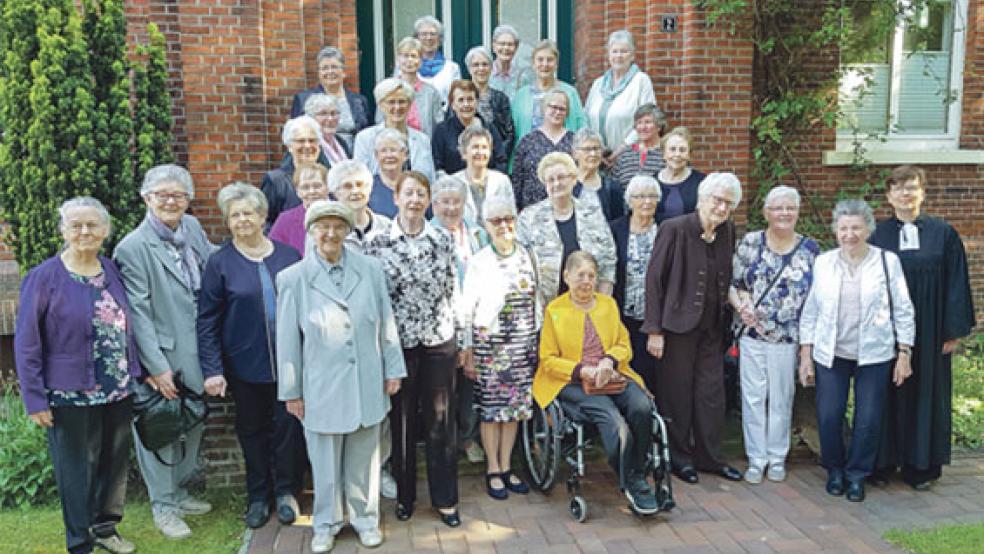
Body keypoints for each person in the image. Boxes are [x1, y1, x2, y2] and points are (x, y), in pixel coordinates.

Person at [276, 201, 406, 553]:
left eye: (338, 226)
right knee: (324, 463)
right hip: (321, 387)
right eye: (323, 227)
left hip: (367, 380)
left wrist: (393, 368)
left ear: (348, 230)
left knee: (365, 459)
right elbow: (287, 342)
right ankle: (326, 524)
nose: (330, 233)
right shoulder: (293, 279)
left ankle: (365, 520)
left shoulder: (370, 269)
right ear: (311, 231)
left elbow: (386, 321)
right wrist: (291, 390)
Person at [15, 197, 142, 554]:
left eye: (92, 225)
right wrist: (35, 399)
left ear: (104, 230)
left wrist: (137, 371)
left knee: (113, 464)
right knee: (76, 469)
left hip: (116, 388)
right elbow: (26, 342)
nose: (84, 231)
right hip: (68, 390)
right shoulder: (44, 278)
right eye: (76, 225)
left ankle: (106, 528)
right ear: (63, 231)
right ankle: (80, 541)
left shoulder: (111, 270)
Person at [113, 164, 216, 539]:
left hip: (201, 348)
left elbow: (212, 262)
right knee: (161, 428)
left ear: (189, 199)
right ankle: (163, 505)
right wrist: (155, 367)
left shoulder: (193, 228)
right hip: (164, 354)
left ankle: (180, 491)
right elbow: (137, 312)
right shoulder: (133, 247)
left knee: (194, 419)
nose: (171, 201)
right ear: (146, 198)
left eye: (178, 195)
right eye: (162, 195)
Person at [197, 184, 304, 529]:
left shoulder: (289, 256)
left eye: (248, 213)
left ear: (262, 216)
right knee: (252, 431)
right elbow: (207, 320)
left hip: (291, 365)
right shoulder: (220, 263)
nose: (242, 220)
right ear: (228, 221)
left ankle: (287, 492)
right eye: (234, 215)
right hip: (244, 366)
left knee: (289, 428)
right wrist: (212, 369)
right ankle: (258, 496)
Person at [799, 199, 915, 502]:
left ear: (868, 230)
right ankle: (834, 470)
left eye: (856, 228)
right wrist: (805, 354)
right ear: (835, 230)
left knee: (868, 419)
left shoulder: (887, 262)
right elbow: (811, 310)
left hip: (874, 354)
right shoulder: (823, 262)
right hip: (831, 353)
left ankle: (857, 475)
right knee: (828, 415)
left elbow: (903, 308)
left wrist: (904, 352)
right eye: (843, 228)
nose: (849, 234)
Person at [363, 171, 462, 528]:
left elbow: (453, 288)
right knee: (402, 421)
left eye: (421, 194)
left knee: (441, 420)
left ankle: (446, 499)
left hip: (438, 340)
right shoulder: (375, 242)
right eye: (409, 193)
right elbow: (372, 300)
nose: (415, 200)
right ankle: (406, 497)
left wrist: (462, 339)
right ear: (396, 198)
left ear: (428, 200)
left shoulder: (443, 238)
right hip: (397, 345)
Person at [870, 166, 975, 490]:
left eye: (912, 187)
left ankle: (921, 466)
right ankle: (883, 461)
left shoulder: (943, 234)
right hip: (887, 328)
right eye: (899, 188)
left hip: (931, 328)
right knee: (886, 390)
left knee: (927, 391)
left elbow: (957, 282)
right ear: (889, 196)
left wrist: (952, 331)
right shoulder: (877, 236)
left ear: (922, 193)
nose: (906, 194)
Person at [532, 251, 660, 515]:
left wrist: (608, 362)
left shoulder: (607, 305)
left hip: (611, 375)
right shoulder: (555, 311)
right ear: (566, 277)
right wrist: (584, 370)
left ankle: (636, 469)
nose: (586, 281)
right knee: (612, 419)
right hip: (572, 381)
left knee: (642, 406)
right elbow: (548, 360)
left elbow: (623, 344)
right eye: (580, 275)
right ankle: (632, 481)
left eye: (591, 276)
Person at [642, 172, 744, 485]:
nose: (722, 208)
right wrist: (654, 330)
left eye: (728, 203)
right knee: (677, 394)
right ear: (702, 199)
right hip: (676, 327)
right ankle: (680, 459)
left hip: (712, 328)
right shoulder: (674, 229)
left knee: (711, 394)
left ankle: (710, 458)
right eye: (717, 200)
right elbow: (654, 280)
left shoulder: (727, 231)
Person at [730, 186, 820, 484]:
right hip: (752, 334)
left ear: (798, 212)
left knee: (781, 398)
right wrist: (742, 305)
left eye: (790, 208)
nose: (784, 213)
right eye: (778, 208)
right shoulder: (751, 243)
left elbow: (816, 299)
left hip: (787, 337)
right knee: (753, 398)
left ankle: (777, 457)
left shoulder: (810, 249)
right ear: (766, 212)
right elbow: (735, 284)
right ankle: (756, 459)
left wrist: (806, 349)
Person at [459, 196, 540, 500]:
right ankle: (492, 469)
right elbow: (467, 308)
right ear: (486, 226)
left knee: (515, 410)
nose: (504, 225)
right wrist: (468, 349)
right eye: (496, 221)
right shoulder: (479, 261)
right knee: (492, 410)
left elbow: (536, 298)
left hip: (522, 344)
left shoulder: (526, 255)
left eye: (509, 219)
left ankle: (506, 466)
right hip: (491, 344)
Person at [430, 176, 489, 465]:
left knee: (470, 380)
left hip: (474, 318)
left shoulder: (478, 234)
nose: (451, 208)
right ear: (434, 205)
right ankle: (444, 440)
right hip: (440, 321)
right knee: (442, 385)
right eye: (445, 202)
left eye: (457, 202)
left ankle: (468, 436)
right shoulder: (427, 234)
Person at [516, 152, 616, 303]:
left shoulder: (592, 213)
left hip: (589, 303)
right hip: (546, 306)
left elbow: (608, 260)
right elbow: (521, 265)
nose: (557, 183)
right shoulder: (528, 218)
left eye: (562, 177)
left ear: (574, 179)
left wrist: (602, 303)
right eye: (551, 179)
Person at [610, 175, 661, 394]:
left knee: (653, 372)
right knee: (625, 368)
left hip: (655, 317)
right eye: (640, 196)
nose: (646, 201)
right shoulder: (616, 229)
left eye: (651, 196)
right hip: (623, 314)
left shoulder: (665, 229)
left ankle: (653, 412)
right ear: (630, 201)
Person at [584, 30, 657, 152]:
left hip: (631, 154)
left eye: (623, 51)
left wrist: (623, 148)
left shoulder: (641, 81)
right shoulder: (598, 84)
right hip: (597, 155)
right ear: (609, 55)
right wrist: (595, 148)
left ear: (632, 56)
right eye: (614, 51)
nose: (618, 56)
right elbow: (586, 118)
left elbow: (649, 120)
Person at [353, 78, 436, 185]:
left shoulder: (422, 139)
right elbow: (359, 178)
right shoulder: (365, 138)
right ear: (381, 105)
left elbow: (430, 179)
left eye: (402, 102)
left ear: (410, 105)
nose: (397, 107)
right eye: (391, 102)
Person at [290, 46, 372, 146]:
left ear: (343, 71)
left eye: (334, 67)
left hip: (355, 153)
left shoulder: (359, 100)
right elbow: (295, 134)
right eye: (325, 68)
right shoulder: (304, 99)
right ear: (319, 73)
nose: (330, 71)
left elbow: (368, 134)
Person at [511, 89, 575, 210]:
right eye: (553, 107)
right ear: (544, 108)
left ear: (567, 113)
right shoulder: (527, 141)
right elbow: (517, 180)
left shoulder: (575, 141)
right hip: (532, 210)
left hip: (566, 210)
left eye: (562, 109)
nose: (557, 112)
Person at [511, 39, 585, 144]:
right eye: (540, 59)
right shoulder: (521, 95)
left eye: (550, 60)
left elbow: (581, 127)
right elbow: (514, 132)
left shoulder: (570, 93)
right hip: (528, 152)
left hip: (563, 152)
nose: (545, 64)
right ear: (533, 63)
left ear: (556, 64)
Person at [431, 79, 507, 175]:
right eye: (461, 100)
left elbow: (501, 161)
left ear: (477, 102)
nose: (466, 104)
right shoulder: (441, 131)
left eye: (470, 99)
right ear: (453, 105)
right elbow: (437, 166)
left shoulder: (489, 129)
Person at [262, 116, 324, 227]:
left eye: (312, 140)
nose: (307, 145)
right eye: (301, 141)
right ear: (289, 146)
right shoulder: (275, 181)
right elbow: (265, 221)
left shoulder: (330, 176)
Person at [451, 126, 515, 223]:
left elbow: (511, 217)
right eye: (475, 147)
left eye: (484, 147)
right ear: (464, 153)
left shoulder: (502, 181)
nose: (480, 152)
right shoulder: (453, 183)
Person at [464, 46, 516, 158]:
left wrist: (497, 157)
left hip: (495, 160)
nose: (481, 68)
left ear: (491, 67)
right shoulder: (460, 98)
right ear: (469, 69)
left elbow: (509, 134)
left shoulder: (501, 99)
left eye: (485, 64)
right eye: (476, 65)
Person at [328, 160, 392, 251]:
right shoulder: (326, 232)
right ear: (335, 193)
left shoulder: (387, 227)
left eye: (360, 184)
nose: (355, 191)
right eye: (347, 186)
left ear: (369, 189)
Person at [269, 163, 330, 256]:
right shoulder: (286, 219)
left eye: (317, 186)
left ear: (328, 187)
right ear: (297, 191)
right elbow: (274, 254)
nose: (312, 191)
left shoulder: (342, 215)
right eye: (305, 187)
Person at [388, 37, 443, 137]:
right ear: (398, 60)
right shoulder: (388, 90)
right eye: (405, 56)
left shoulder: (431, 92)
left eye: (413, 56)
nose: (409, 60)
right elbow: (379, 122)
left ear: (421, 61)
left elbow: (439, 125)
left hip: (424, 143)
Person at [573, 128, 624, 221]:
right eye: (587, 149)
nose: (593, 154)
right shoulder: (566, 186)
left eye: (596, 149)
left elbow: (618, 223)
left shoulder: (612, 188)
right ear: (575, 153)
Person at [610, 104, 666, 189]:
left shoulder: (668, 152)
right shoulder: (625, 154)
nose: (643, 127)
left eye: (648, 122)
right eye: (639, 122)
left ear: (659, 126)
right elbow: (614, 186)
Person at [655, 126, 705, 224]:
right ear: (664, 154)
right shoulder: (652, 183)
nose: (677, 154)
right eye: (672, 149)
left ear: (689, 155)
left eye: (682, 150)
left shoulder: (702, 182)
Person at [413, 16, 461, 109]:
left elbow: (457, 99)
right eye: (424, 34)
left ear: (440, 39)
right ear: (416, 38)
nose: (428, 38)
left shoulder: (452, 68)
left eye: (433, 34)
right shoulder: (405, 67)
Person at [489, 24, 533, 100]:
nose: (506, 48)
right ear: (494, 46)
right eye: (502, 44)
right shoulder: (485, 73)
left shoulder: (523, 77)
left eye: (510, 44)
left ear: (516, 48)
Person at [304, 93, 352, 162]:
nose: (330, 118)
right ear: (311, 117)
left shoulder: (341, 141)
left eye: (333, 113)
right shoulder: (308, 144)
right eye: (323, 114)